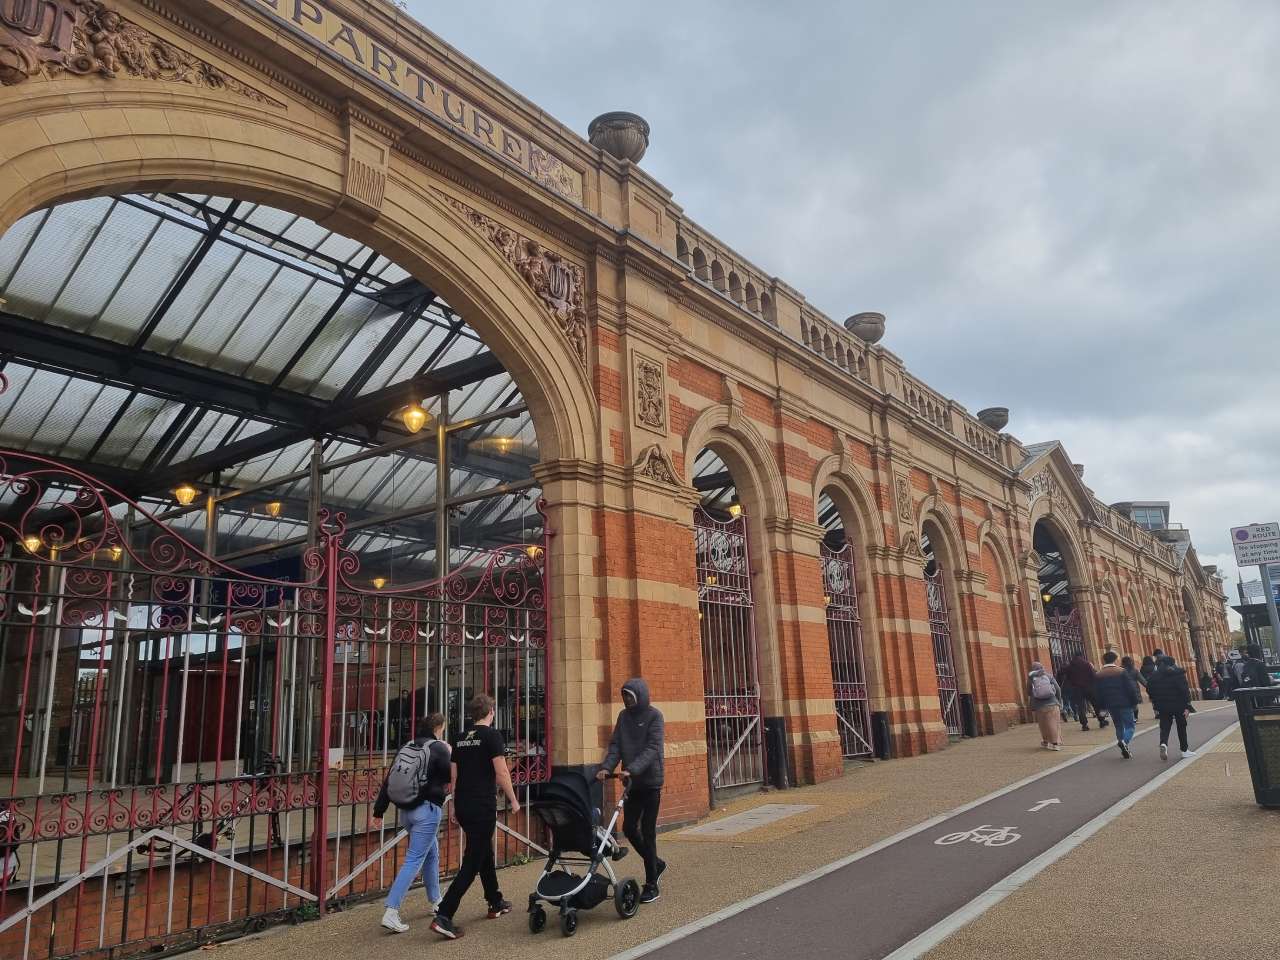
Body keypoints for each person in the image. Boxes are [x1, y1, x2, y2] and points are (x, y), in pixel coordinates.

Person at [430, 695, 521, 940]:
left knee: (483, 853)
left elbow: (454, 776)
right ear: (491, 711)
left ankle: (495, 901)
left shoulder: (459, 738)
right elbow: (501, 771)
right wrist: (513, 800)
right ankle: (444, 914)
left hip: (464, 804)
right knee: (472, 862)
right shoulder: (492, 736)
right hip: (482, 805)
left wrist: (453, 807)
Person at [372, 712, 451, 933]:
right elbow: (447, 776)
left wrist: (378, 811)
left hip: (406, 811)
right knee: (414, 859)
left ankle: (436, 901)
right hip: (427, 811)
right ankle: (391, 911)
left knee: (431, 852)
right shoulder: (438, 748)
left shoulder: (408, 746)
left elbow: (390, 779)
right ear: (439, 727)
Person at [597, 678, 667, 903]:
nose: (626, 699)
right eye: (624, 695)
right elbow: (616, 745)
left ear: (639, 695)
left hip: (650, 782)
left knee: (648, 832)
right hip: (632, 783)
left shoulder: (654, 716)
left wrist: (633, 769)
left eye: (630, 695)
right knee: (628, 828)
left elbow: (653, 748)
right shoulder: (623, 717)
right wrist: (607, 767)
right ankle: (656, 862)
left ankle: (652, 883)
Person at [1146, 654, 1194, 761]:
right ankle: (1184, 750)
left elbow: (1149, 690)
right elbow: (1184, 691)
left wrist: (1156, 700)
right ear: (1172, 664)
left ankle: (1163, 743)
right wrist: (1187, 706)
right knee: (1181, 726)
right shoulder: (1178, 674)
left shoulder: (1154, 677)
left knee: (1165, 726)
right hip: (1179, 705)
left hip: (1162, 705)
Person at [1094, 651, 1140, 758]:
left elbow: (1098, 692)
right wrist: (1134, 702)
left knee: (1119, 726)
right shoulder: (1121, 671)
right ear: (1115, 660)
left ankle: (1123, 745)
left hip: (1110, 705)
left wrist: (1102, 707)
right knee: (1130, 726)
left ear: (1103, 660)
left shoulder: (1099, 674)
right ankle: (1124, 742)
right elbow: (1130, 689)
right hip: (1125, 703)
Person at [1063, 653, 1108, 731]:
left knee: (1081, 708)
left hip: (1077, 689)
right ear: (1081, 656)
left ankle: (1084, 725)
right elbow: (1093, 675)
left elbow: (1068, 678)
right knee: (1096, 705)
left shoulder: (1069, 667)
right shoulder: (1087, 664)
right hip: (1089, 688)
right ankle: (1101, 720)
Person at [1026, 661, 1062, 751]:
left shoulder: (1031, 677)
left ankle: (1046, 741)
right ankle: (1055, 743)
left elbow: (1028, 692)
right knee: (1054, 723)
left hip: (1040, 706)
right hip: (1053, 703)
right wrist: (1059, 700)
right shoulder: (1049, 675)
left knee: (1043, 725)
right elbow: (1058, 689)